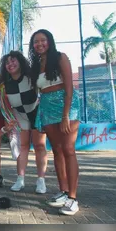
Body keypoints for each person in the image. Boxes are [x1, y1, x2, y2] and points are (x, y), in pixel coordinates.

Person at [29, 29, 80, 215]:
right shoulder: (36, 64)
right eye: (36, 42)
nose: (39, 44)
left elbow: (69, 88)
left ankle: (73, 199)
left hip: (66, 106)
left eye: (43, 40)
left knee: (68, 150)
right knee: (56, 150)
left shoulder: (60, 57)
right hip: (47, 107)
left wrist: (66, 115)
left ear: (50, 41)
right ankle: (64, 191)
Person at [0, 50, 48, 193]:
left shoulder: (31, 77)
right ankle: (20, 179)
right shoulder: (4, 85)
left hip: (36, 114)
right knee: (23, 147)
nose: (10, 64)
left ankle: (41, 181)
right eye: (7, 63)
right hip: (20, 117)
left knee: (39, 146)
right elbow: (5, 105)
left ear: (20, 62)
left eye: (13, 61)